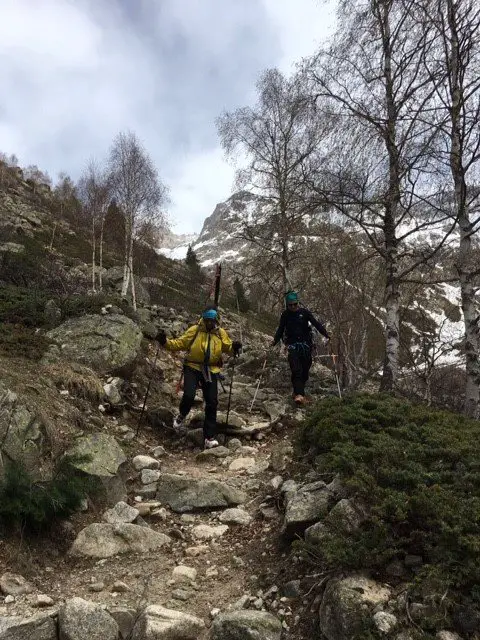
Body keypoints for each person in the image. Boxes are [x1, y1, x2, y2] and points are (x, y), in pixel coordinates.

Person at [158, 306, 242, 449]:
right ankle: (182, 415)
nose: (210, 323)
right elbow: (180, 343)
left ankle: (209, 437)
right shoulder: (195, 330)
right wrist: (165, 342)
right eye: (207, 320)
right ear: (203, 319)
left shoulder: (220, 333)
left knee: (212, 402)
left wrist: (234, 347)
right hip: (193, 366)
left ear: (216, 320)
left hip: (211, 369)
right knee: (189, 395)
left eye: (212, 320)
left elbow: (227, 348)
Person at [271, 291, 330, 405]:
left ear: (298, 303)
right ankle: (299, 395)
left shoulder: (305, 313)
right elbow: (280, 329)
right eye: (290, 305)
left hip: (306, 345)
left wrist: (326, 334)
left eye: (295, 304)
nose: (293, 307)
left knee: (305, 370)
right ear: (287, 305)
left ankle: (297, 392)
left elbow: (316, 324)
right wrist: (275, 340)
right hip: (292, 346)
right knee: (296, 369)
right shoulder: (285, 315)